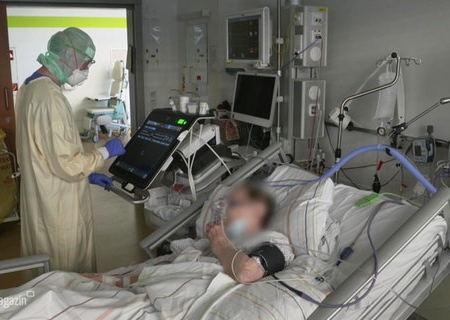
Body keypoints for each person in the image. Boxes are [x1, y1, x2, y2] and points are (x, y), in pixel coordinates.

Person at [15, 27, 125, 272]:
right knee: (66, 274)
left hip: (43, 196)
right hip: (59, 211)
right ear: (70, 59)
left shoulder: (29, 88)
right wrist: (105, 153)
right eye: (85, 65)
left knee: (44, 271)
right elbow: (67, 165)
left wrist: (84, 179)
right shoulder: (49, 98)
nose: (86, 71)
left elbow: (43, 153)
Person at [84, 183, 293, 285]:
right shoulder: (227, 238)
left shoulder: (275, 242)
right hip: (158, 278)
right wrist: (211, 241)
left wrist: (219, 242)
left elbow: (247, 272)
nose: (228, 211)